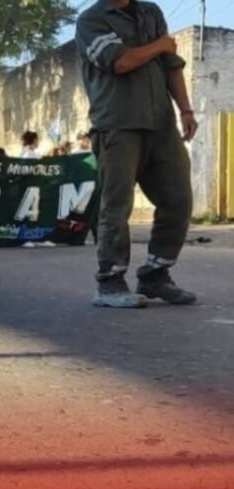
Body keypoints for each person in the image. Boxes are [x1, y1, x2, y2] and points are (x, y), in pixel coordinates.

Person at [76, 0, 197, 308]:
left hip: (161, 123)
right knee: (117, 205)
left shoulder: (150, 12)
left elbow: (172, 64)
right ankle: (109, 283)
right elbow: (119, 61)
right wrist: (159, 45)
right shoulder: (92, 20)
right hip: (118, 124)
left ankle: (156, 275)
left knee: (178, 198)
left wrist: (185, 109)